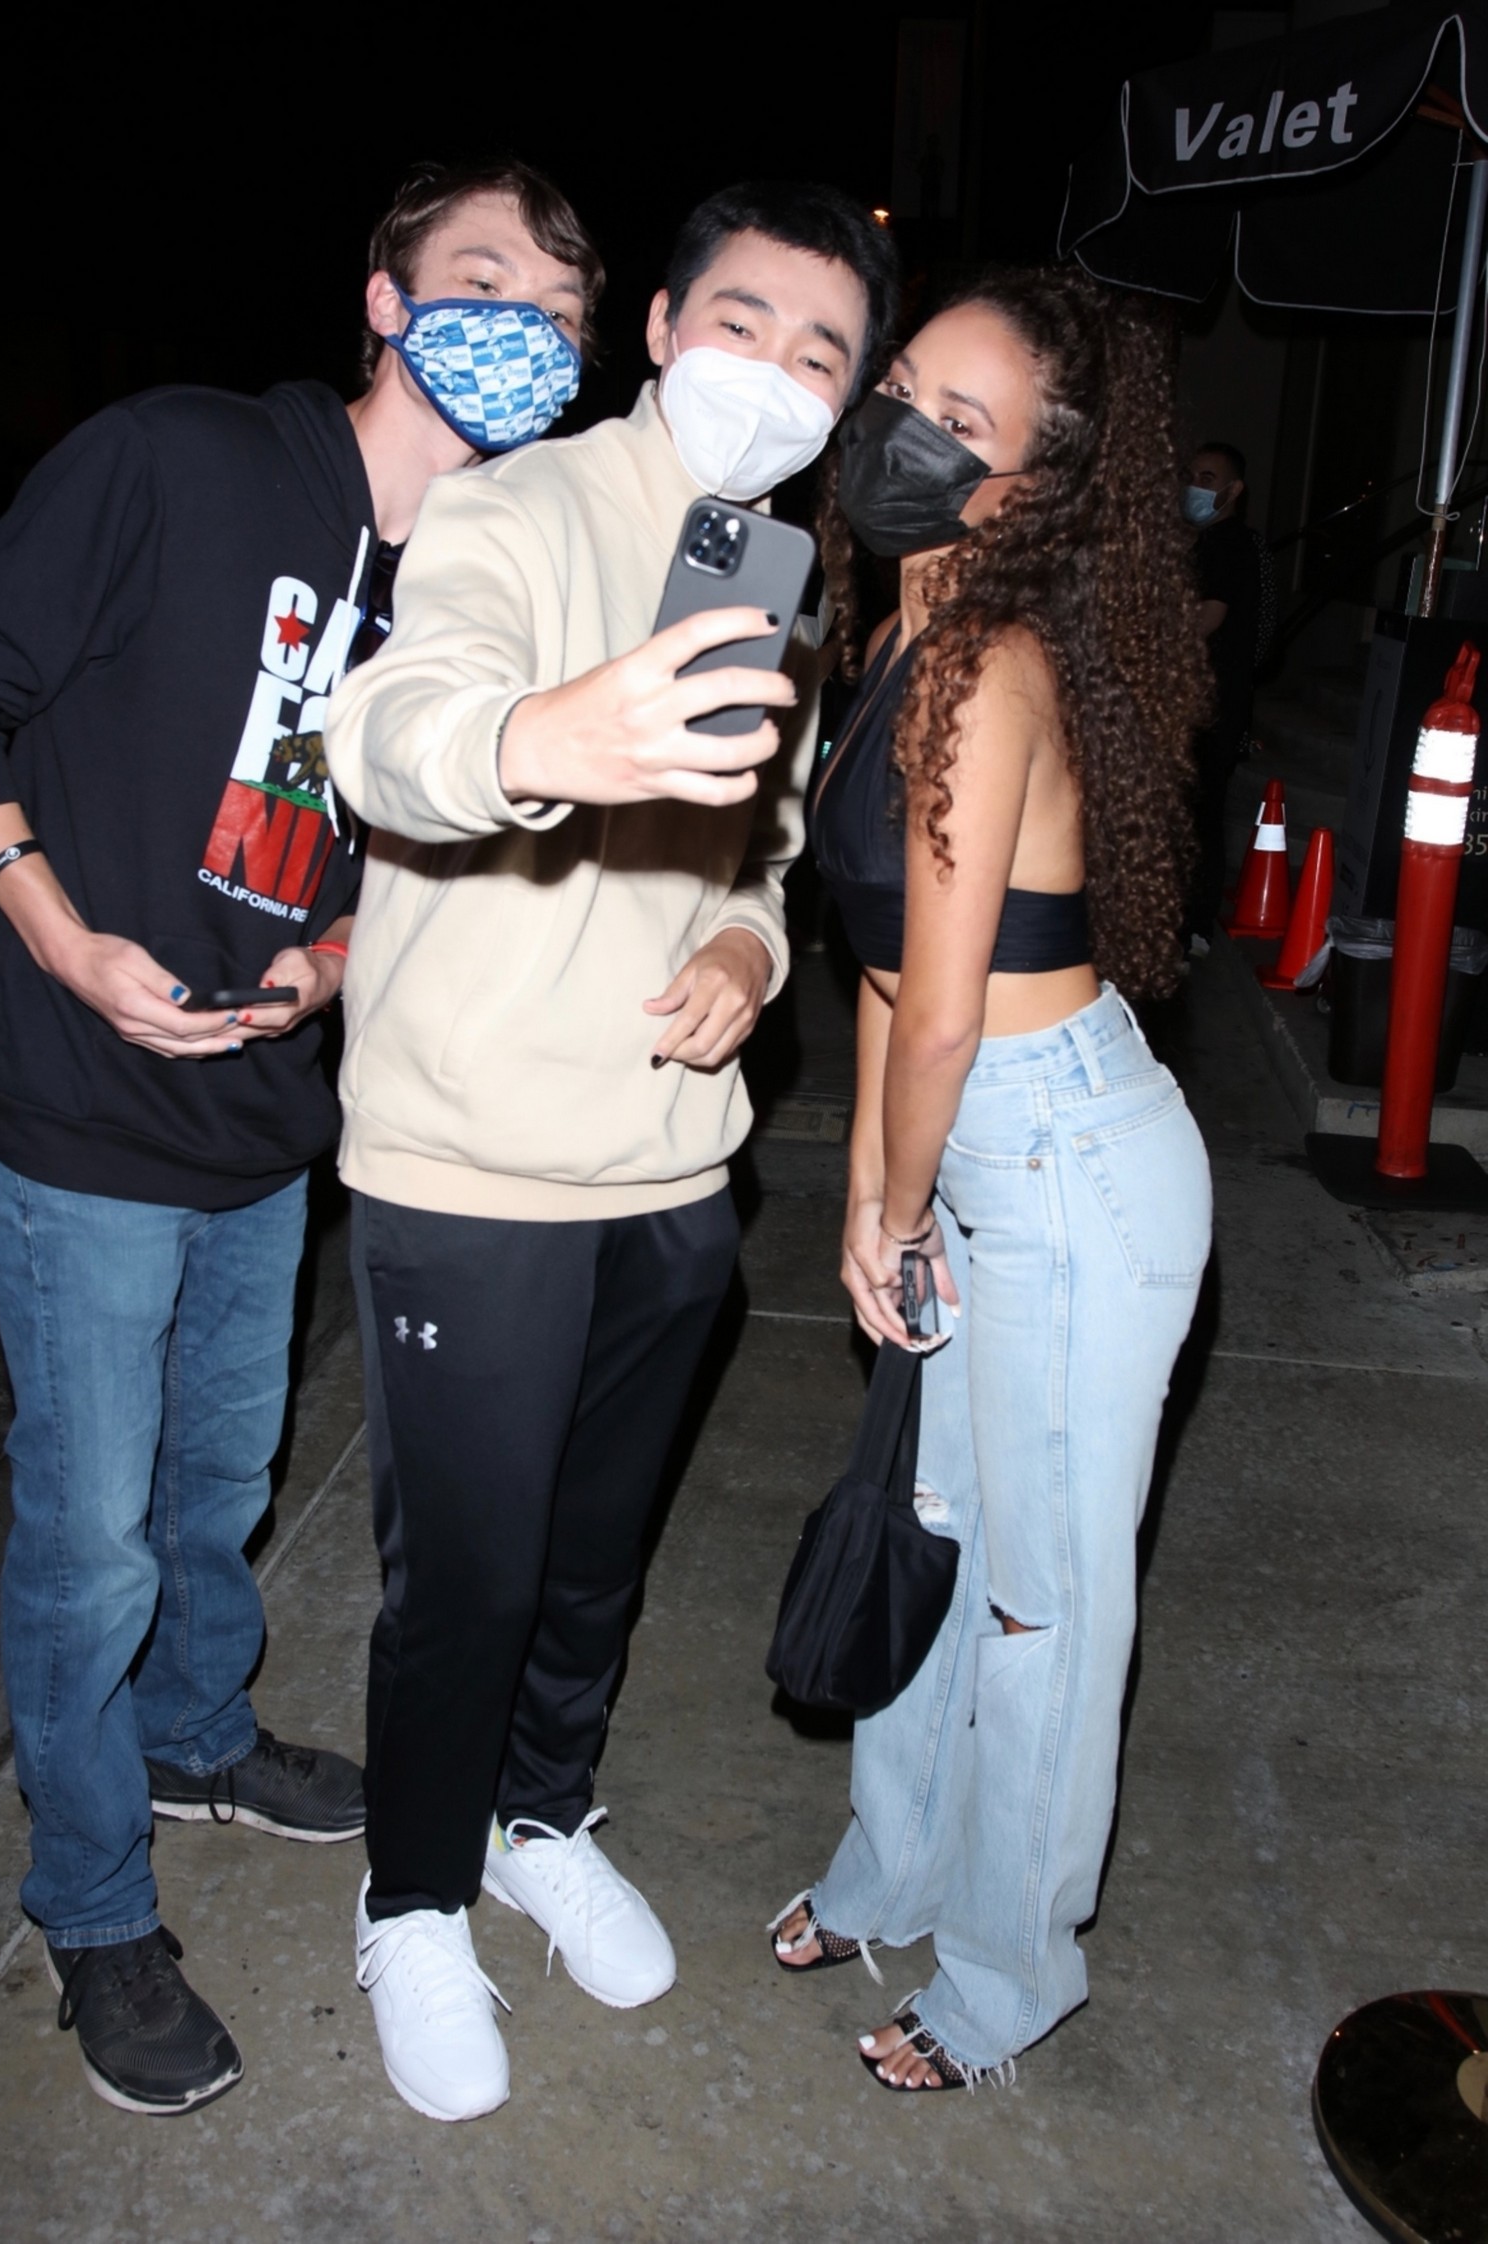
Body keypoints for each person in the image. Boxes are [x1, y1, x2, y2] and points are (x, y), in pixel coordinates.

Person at [0, 157, 602, 2118]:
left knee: (219, 1482)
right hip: (84, 1109)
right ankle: (88, 1900)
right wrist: (54, 932)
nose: (516, 329)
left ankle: (198, 1736)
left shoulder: (484, 583)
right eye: (478, 281)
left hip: (271, 1119)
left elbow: (425, 845)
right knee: (89, 1545)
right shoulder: (178, 461)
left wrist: (338, 960)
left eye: (554, 312)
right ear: (383, 299)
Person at [322, 180, 899, 2124]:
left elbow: (765, 844)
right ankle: (413, 1898)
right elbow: (392, 730)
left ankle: (538, 1819)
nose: (773, 372)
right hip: (476, 1168)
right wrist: (543, 737)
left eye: (819, 351)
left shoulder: (780, 567)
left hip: (670, 1172)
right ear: (658, 327)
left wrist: (745, 946)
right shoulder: (513, 507)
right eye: (741, 322)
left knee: (588, 1565)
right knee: (466, 1582)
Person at [769, 266, 1213, 2092]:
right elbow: (884, 970)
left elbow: (947, 1013)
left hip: (1069, 1165)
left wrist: (898, 1200)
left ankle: (1012, 1969)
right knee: (938, 1532)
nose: (905, 432)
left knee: (1041, 1599)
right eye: (903, 388)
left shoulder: (986, 669)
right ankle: (896, 1865)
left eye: (963, 422)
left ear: (1027, 487)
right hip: (972, 1149)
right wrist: (872, 1201)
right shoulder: (896, 635)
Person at [1183, 439, 1265, 951]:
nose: (1193, 486)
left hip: (1211, 703)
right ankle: (1189, 923)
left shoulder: (1228, 545)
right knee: (1195, 812)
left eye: (1207, 479)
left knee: (1199, 813)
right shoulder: (1207, 543)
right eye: (1190, 475)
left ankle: (1193, 925)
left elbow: (1208, 619)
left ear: (1233, 491)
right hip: (1206, 699)